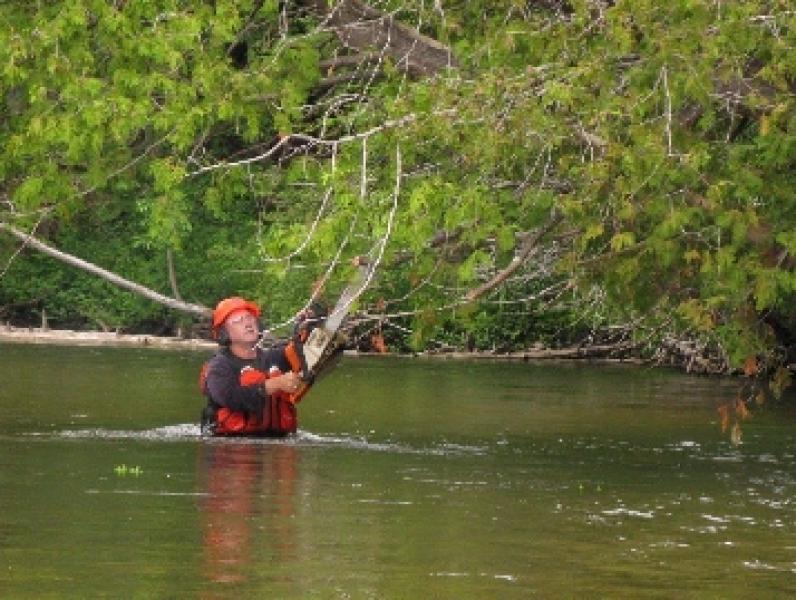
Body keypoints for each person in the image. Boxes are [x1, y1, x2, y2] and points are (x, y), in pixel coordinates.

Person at [200, 296, 305, 436]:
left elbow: (307, 354)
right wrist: (274, 384)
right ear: (224, 333)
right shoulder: (219, 366)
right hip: (227, 447)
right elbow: (231, 398)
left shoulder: (274, 358)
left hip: (274, 447)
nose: (248, 324)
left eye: (249, 318)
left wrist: (308, 326)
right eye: (238, 321)